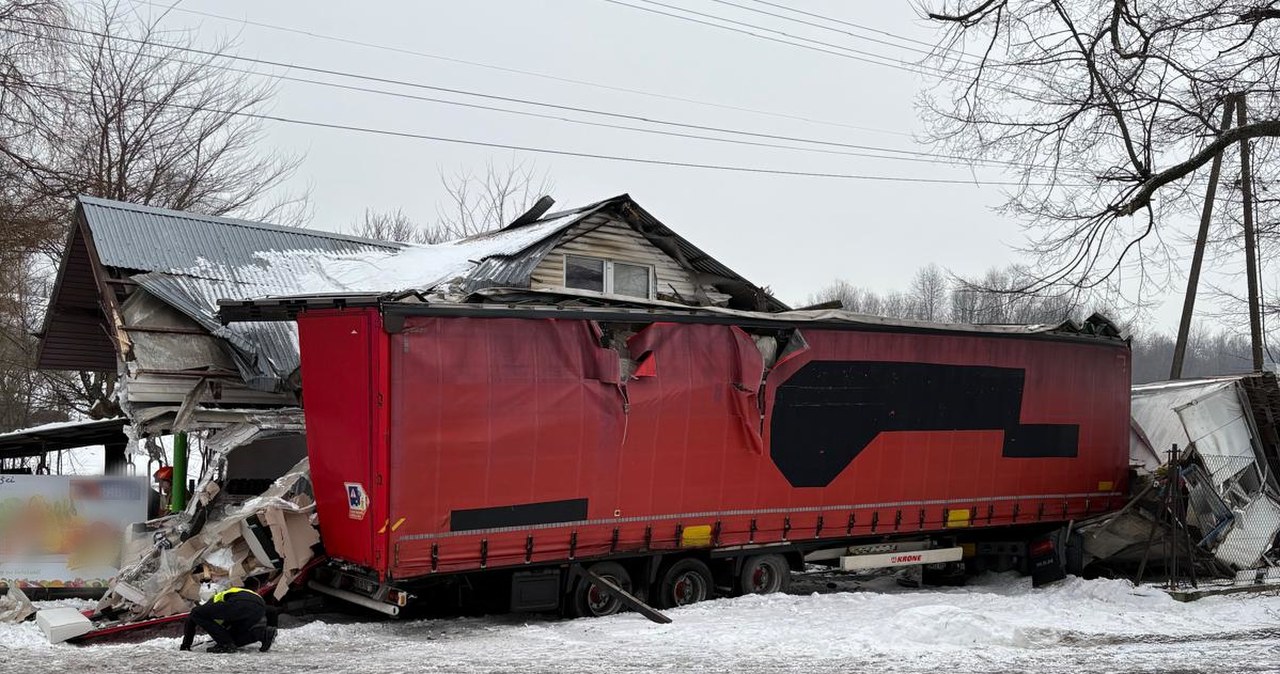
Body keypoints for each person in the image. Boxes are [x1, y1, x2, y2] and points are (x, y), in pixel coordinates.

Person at [179, 585, 278, 653]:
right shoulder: (223, 611)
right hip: (259, 607)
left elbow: (192, 616)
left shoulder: (213, 603)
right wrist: (272, 625)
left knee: (196, 612)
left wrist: (186, 644)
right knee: (232, 640)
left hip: (240, 602)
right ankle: (263, 634)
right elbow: (272, 610)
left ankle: (225, 645)